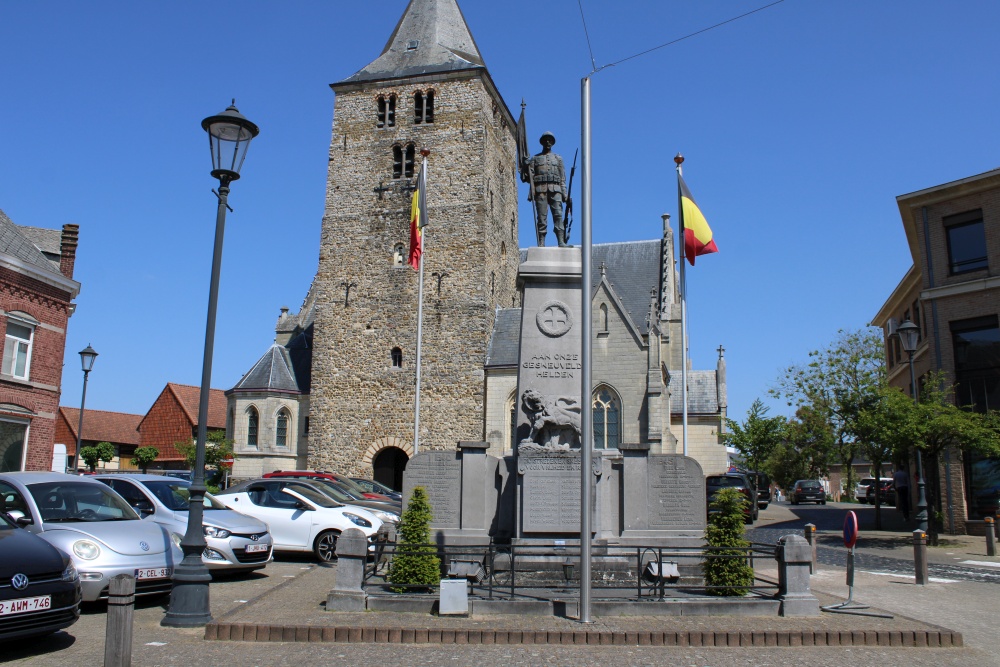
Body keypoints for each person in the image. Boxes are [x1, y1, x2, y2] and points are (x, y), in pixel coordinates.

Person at [529, 132, 568, 247]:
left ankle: (561, 241)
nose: (547, 142)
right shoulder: (535, 159)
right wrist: (526, 165)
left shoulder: (558, 159)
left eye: (550, 140)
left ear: (552, 142)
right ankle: (541, 243)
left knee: (558, 215)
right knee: (541, 218)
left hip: (556, 190)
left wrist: (564, 194)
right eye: (545, 140)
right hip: (540, 190)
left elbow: (562, 178)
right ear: (542, 142)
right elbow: (527, 177)